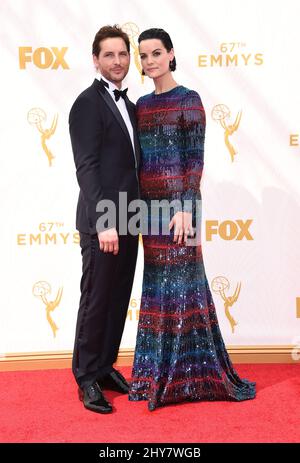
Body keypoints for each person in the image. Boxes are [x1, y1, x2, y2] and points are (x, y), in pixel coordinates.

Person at [128, 28, 256, 411]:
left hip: (180, 210)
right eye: (144, 55)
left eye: (156, 53)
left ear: (171, 54)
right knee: (157, 290)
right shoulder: (140, 105)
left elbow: (194, 160)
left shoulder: (190, 100)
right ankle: (155, 374)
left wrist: (186, 207)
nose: (150, 61)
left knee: (185, 288)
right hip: (149, 213)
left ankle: (191, 376)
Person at [69, 25, 140, 414]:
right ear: (95, 59)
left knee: (117, 298)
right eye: (109, 55)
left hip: (130, 218)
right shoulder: (86, 104)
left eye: (122, 54)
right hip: (105, 221)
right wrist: (104, 221)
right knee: (96, 300)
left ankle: (104, 365)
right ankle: (85, 378)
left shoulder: (130, 106)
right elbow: (87, 168)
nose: (117, 61)